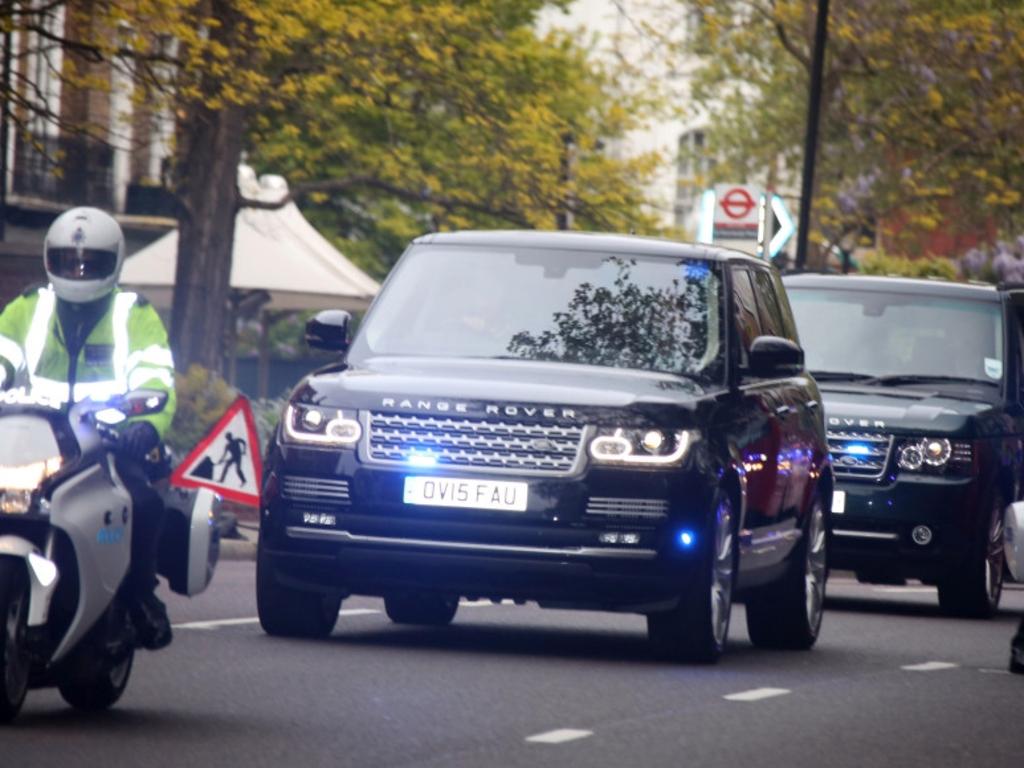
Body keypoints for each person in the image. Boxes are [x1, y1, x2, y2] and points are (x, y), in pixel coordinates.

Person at [0, 207, 177, 650]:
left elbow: (156, 379)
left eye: (90, 262)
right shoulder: (28, 308)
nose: (78, 271)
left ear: (114, 262)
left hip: (107, 442)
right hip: (32, 435)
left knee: (142, 502)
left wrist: (146, 426)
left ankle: (139, 598)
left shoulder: (132, 313)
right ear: (49, 260)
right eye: (67, 260)